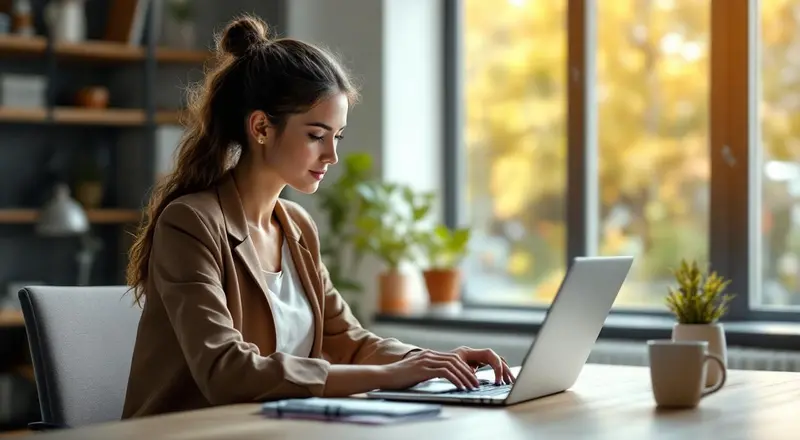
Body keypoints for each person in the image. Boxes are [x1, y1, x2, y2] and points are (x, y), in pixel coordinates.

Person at [121, 15, 514, 419]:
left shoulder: (296, 226)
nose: (332, 155)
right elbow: (228, 371)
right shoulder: (190, 223)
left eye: (337, 137)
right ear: (261, 127)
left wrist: (431, 361)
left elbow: (349, 342)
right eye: (316, 135)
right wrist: (389, 375)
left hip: (273, 427)